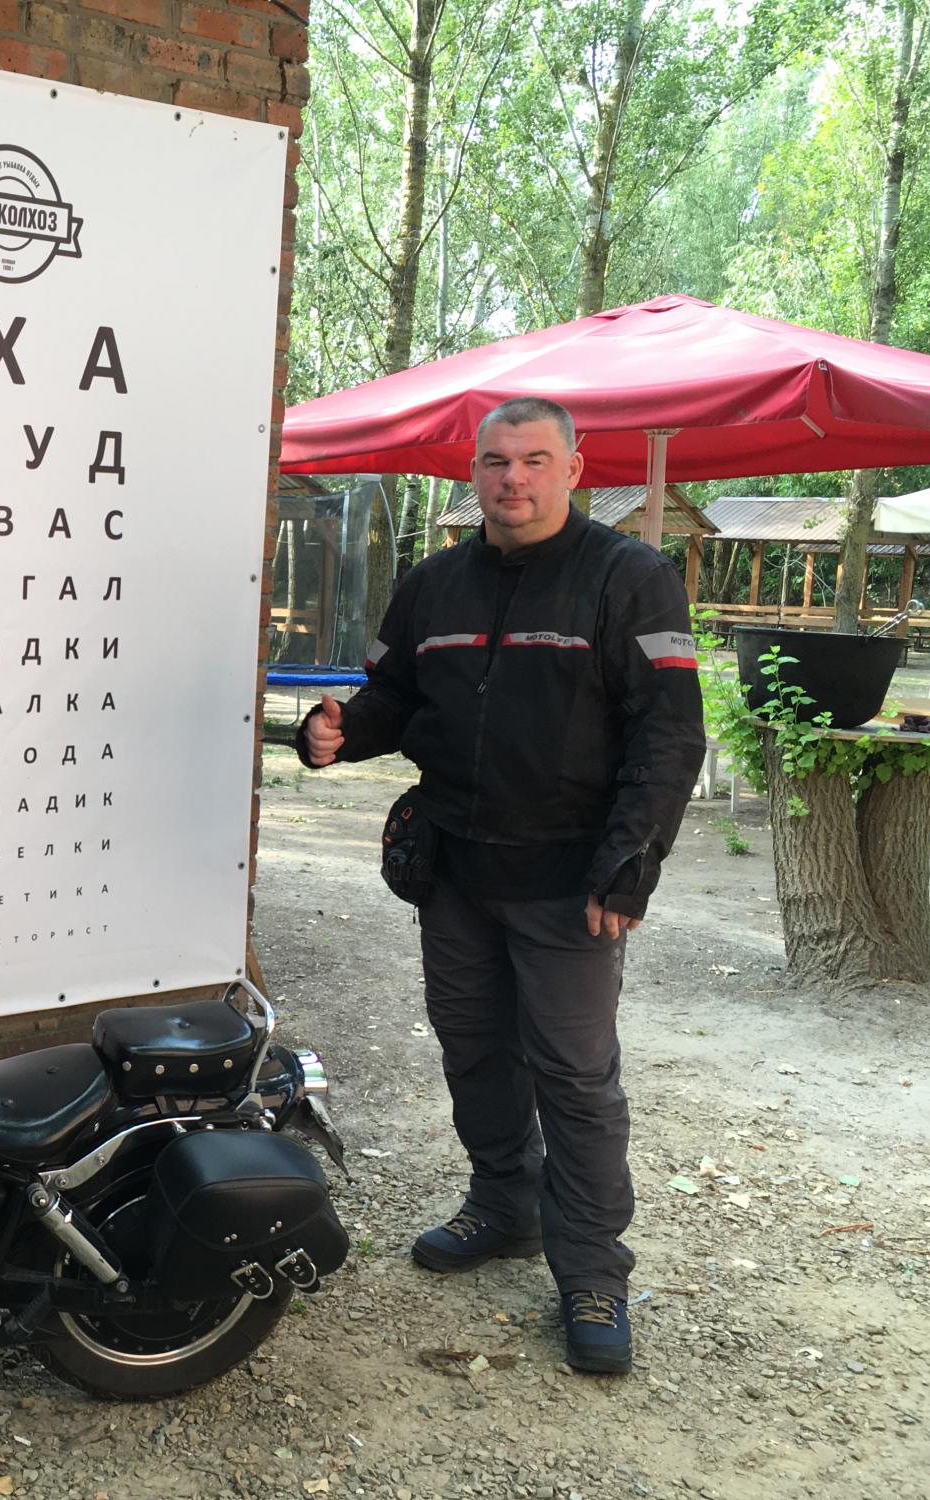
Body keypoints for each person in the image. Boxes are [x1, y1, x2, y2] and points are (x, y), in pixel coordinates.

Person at [296, 397, 704, 1374]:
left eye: (532, 460)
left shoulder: (628, 577)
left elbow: (667, 733)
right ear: (472, 472)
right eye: (494, 461)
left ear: (573, 469)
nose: (511, 478)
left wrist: (627, 866)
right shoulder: (433, 583)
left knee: (572, 1077)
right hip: (454, 872)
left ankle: (592, 1271)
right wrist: (338, 732)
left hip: (571, 880)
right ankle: (502, 1205)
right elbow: (396, 698)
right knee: (475, 1051)